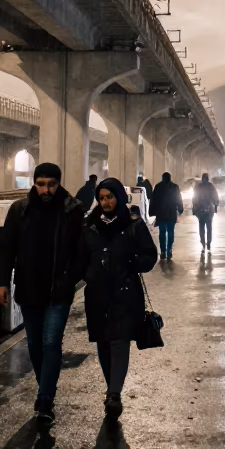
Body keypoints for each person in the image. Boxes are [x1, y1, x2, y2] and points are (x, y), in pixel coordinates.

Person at [0, 163, 86, 425]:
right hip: (29, 288)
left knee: (50, 343)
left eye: (52, 184)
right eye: (41, 184)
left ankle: (45, 398)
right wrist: (1, 282)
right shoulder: (19, 210)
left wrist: (70, 278)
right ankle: (45, 387)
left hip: (59, 291)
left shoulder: (72, 210)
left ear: (59, 183)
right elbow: (6, 248)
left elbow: (81, 251)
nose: (46, 189)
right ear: (34, 183)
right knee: (34, 346)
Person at [82, 178, 159, 420]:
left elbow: (150, 255)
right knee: (103, 344)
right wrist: (88, 273)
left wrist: (131, 263)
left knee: (119, 341)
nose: (105, 202)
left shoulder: (134, 225)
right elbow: (80, 256)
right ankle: (111, 389)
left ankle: (114, 394)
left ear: (119, 197)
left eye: (110, 197)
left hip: (125, 294)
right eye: (102, 198)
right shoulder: (90, 225)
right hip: (97, 294)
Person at [149, 171, 184, 259]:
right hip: (171, 213)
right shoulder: (175, 187)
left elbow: (153, 200)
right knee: (171, 232)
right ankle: (169, 250)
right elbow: (178, 199)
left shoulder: (158, 186)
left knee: (162, 232)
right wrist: (180, 208)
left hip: (161, 214)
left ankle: (163, 251)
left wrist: (152, 212)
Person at [192, 173, 220, 251]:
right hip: (209, 210)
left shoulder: (198, 187)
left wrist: (194, 208)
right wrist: (216, 206)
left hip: (200, 210)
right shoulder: (211, 186)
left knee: (201, 227)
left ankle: (203, 243)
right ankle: (208, 242)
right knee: (209, 227)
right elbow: (216, 197)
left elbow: (194, 198)